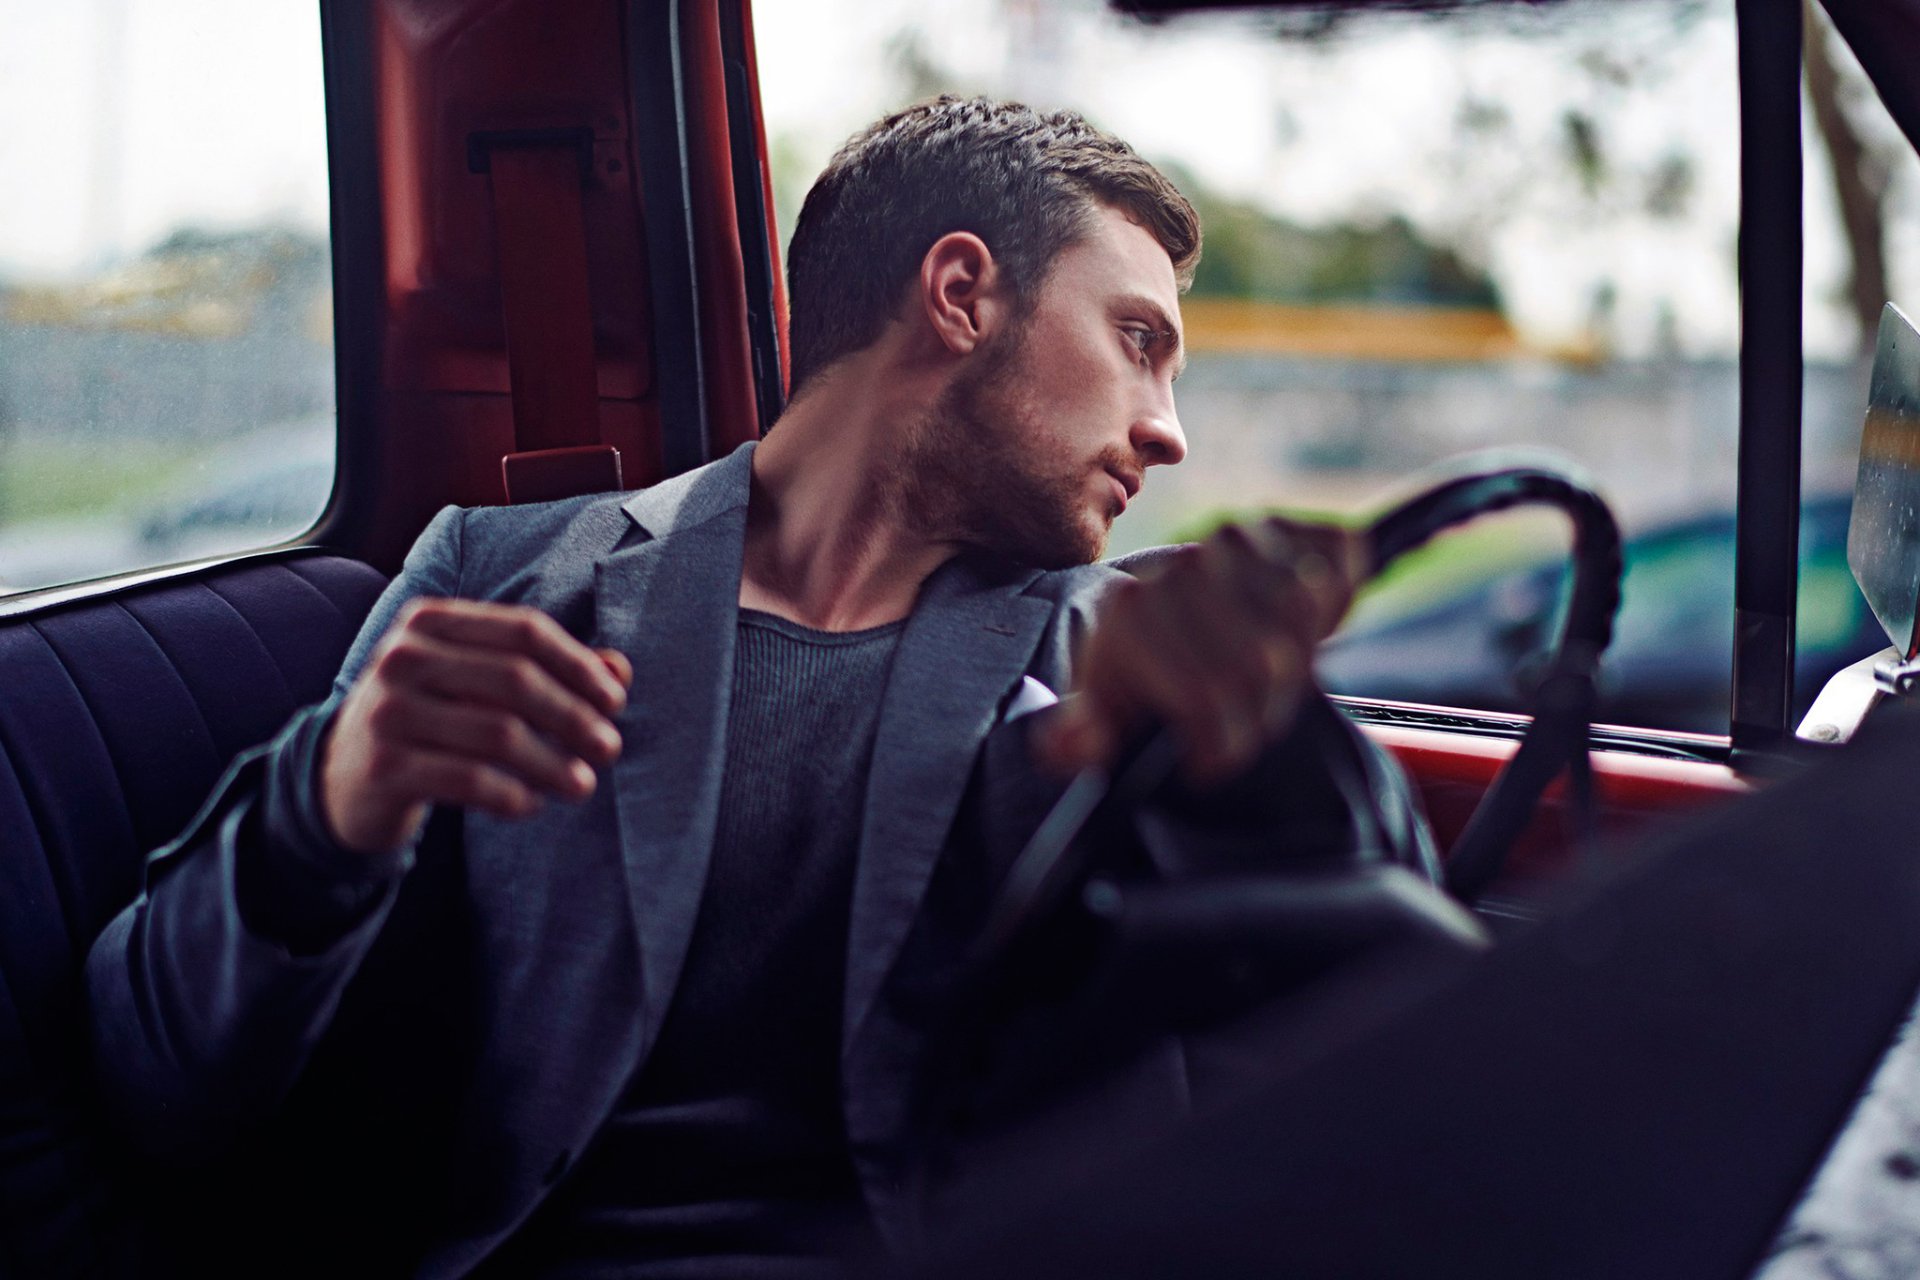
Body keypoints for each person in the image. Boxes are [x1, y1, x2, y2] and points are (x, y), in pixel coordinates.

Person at [85, 96, 1435, 1278]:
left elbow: (1399, 1055)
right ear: (961, 293)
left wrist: (1265, 756)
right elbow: (157, 1078)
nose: (1170, 430)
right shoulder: (498, 573)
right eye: (1138, 338)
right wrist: (323, 810)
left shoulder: (1121, 645)